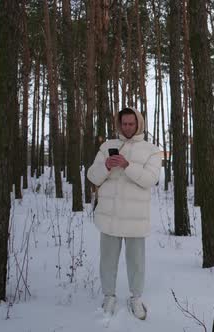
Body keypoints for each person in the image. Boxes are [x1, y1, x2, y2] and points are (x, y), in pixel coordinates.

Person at [87, 107, 161, 319]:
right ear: (119, 124)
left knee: (136, 261)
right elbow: (93, 176)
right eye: (124, 123)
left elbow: (150, 179)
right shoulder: (107, 146)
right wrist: (107, 166)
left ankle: (136, 298)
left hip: (135, 218)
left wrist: (127, 166)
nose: (128, 127)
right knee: (107, 260)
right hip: (109, 215)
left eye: (132, 123)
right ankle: (109, 296)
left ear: (138, 124)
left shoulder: (151, 150)